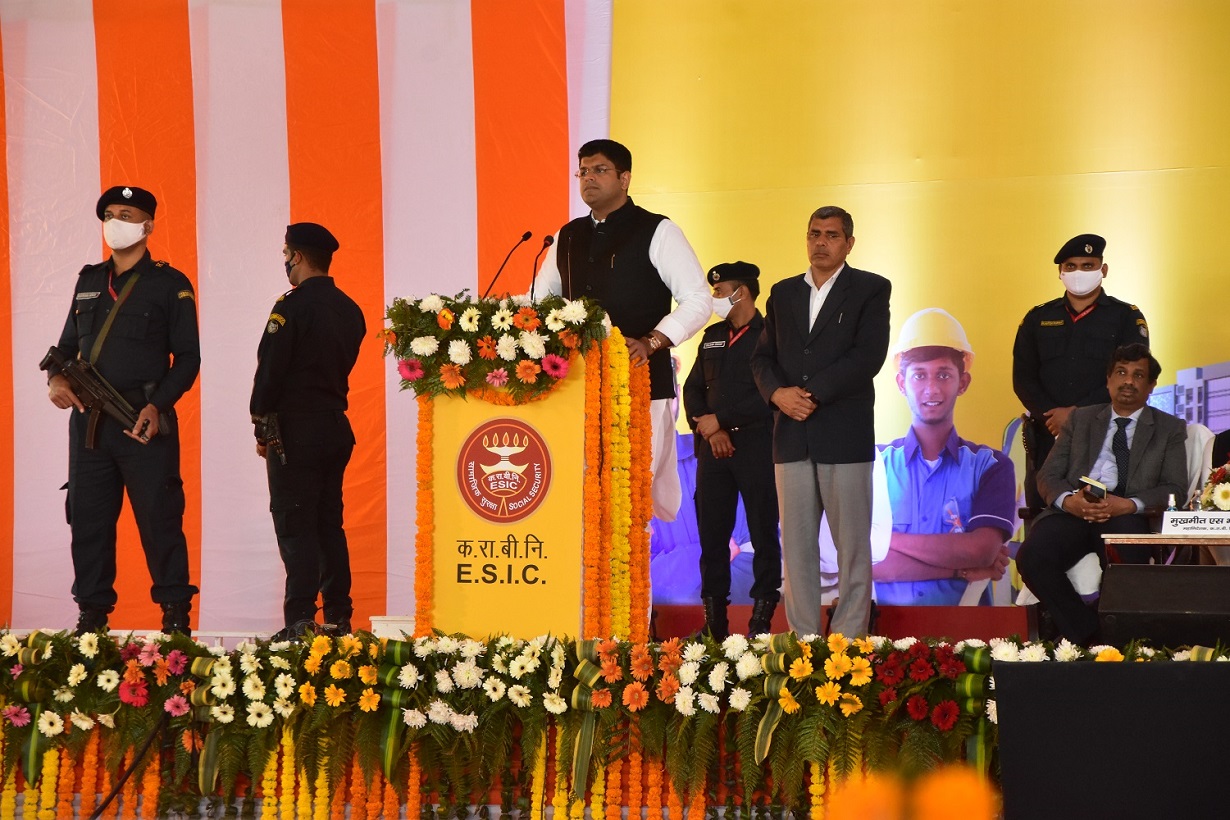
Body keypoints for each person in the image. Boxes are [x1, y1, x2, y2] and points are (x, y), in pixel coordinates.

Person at [45, 185, 200, 636]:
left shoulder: (170, 285)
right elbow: (65, 349)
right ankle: (91, 620)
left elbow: (188, 358)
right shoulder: (89, 281)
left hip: (141, 422)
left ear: (148, 225)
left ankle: (175, 618)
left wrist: (158, 405)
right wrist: (56, 380)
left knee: (159, 518)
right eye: (110, 214)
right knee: (88, 521)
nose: (115, 223)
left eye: (126, 215)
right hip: (88, 425)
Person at [535, 138, 710, 522]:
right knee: (578, 498)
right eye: (583, 171)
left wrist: (653, 341)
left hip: (639, 383)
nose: (588, 178)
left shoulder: (657, 230)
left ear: (625, 178)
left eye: (599, 170)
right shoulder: (566, 236)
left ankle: (630, 562)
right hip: (575, 387)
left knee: (629, 499)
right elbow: (538, 303)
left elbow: (698, 299)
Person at [751, 206, 891, 638]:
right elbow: (761, 359)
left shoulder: (870, 288)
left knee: (852, 549)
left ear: (849, 243)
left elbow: (868, 356)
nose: (821, 243)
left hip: (843, 435)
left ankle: (848, 640)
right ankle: (803, 640)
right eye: (814, 234)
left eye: (831, 235)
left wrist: (808, 396)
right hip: (791, 436)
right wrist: (778, 394)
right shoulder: (783, 292)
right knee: (796, 550)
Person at [1015, 343, 1187, 645]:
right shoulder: (1079, 420)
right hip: (1074, 510)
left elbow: (1175, 488)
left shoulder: (1169, 428)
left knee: (1127, 563)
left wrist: (1129, 505)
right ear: (1108, 380)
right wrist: (1069, 502)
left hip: (1125, 515)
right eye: (1121, 372)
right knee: (1032, 557)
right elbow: (1048, 475)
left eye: (1138, 375)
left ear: (1151, 386)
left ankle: (1123, 640)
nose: (1128, 381)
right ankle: (1090, 637)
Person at [251, 223, 366, 641]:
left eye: (286, 254)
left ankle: (299, 621)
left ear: (296, 256)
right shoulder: (350, 308)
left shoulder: (291, 306)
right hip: (334, 424)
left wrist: (261, 424)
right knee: (328, 524)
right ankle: (338, 617)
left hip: (295, 428)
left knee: (295, 525)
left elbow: (270, 372)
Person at [871, 309, 1015, 605]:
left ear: (963, 382)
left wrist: (885, 541)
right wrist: (959, 569)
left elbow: (981, 552)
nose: (932, 388)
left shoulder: (992, 466)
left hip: (965, 629)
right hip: (882, 628)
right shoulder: (873, 466)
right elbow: (864, 564)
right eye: (919, 375)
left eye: (944, 375)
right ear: (901, 383)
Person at [682, 261, 781, 638]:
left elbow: (771, 394)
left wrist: (720, 419)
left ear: (742, 292)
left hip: (757, 446)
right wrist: (710, 428)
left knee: (763, 533)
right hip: (713, 450)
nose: (715, 298)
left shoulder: (771, 335)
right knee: (712, 537)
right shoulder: (712, 336)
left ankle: (760, 624)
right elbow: (692, 388)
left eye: (720, 292)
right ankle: (714, 627)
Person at [1013, 234, 1149, 508]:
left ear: (1103, 269)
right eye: (1071, 266)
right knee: (1045, 516)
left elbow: (1131, 376)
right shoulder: (1038, 318)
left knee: (1106, 515)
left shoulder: (1126, 317)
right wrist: (1053, 417)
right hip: (1048, 437)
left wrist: (1076, 416)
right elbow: (1023, 379)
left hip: (1107, 435)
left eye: (1088, 266)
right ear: (1060, 272)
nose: (1078, 273)